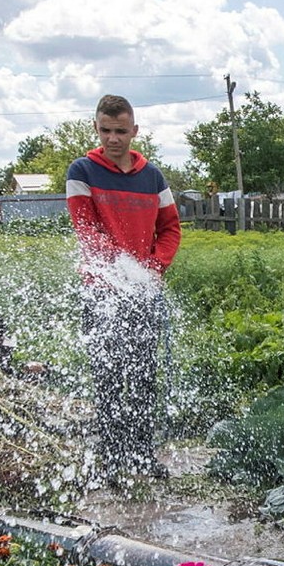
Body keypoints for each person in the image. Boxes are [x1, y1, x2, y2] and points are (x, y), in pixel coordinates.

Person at [66, 93, 182, 478]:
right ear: (96, 128)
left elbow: (170, 229)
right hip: (103, 291)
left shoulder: (152, 177)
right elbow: (86, 229)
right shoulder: (82, 171)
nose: (113, 138)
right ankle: (113, 460)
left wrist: (152, 268)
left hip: (143, 291)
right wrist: (121, 270)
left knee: (145, 375)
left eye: (120, 131)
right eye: (105, 130)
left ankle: (143, 455)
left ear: (134, 130)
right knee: (110, 376)